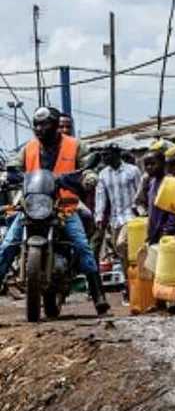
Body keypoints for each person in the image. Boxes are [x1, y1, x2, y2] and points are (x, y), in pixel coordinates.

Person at [0, 107, 108, 315]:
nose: (39, 129)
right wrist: (10, 175)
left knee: (82, 246)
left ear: (56, 125)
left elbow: (88, 165)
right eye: (36, 125)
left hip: (63, 207)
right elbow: (14, 165)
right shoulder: (28, 148)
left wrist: (88, 176)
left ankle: (98, 296)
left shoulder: (75, 146)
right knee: (7, 246)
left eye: (44, 124)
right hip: (31, 205)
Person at [94, 144, 142, 270]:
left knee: (122, 244)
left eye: (106, 154)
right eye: (102, 155)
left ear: (116, 154)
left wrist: (142, 212)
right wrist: (99, 217)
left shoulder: (132, 170)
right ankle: (129, 281)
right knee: (120, 252)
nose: (103, 158)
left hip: (131, 217)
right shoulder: (103, 174)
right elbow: (100, 197)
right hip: (115, 220)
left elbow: (140, 192)